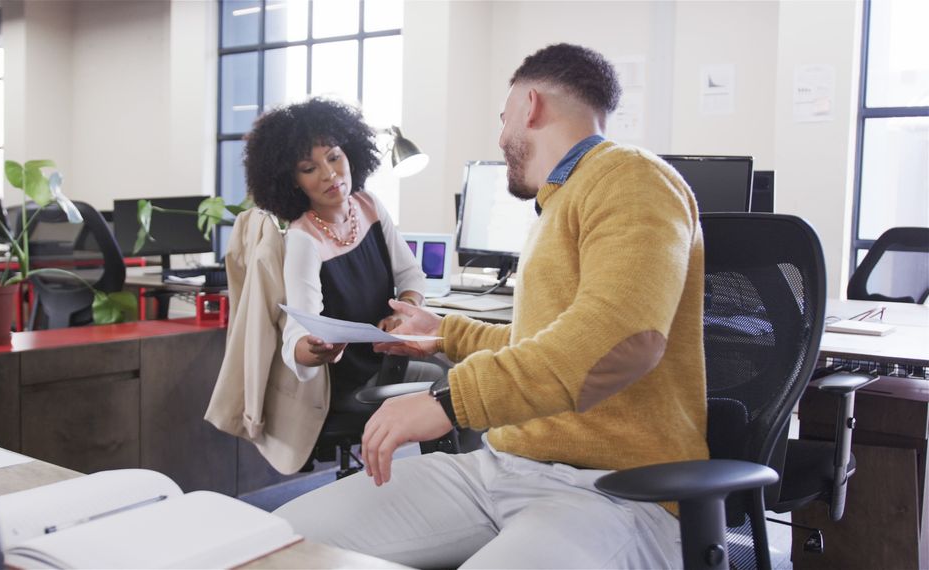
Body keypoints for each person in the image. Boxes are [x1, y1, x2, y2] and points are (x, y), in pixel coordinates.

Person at [274, 43, 709, 568]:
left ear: (530, 106)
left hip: (610, 490)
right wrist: (444, 333)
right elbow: (545, 344)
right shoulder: (559, 201)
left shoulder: (631, 178)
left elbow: (618, 345)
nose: (500, 137)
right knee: (278, 542)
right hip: (500, 468)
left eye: (503, 119)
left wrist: (447, 405)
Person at [244, 97, 444, 413]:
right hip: (346, 383)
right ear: (292, 182)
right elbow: (298, 338)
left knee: (467, 368)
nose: (329, 174)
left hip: (389, 361)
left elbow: (411, 276)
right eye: (309, 169)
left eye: (334, 157)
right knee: (457, 383)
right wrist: (314, 349)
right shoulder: (303, 239)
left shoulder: (368, 205)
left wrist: (402, 313)